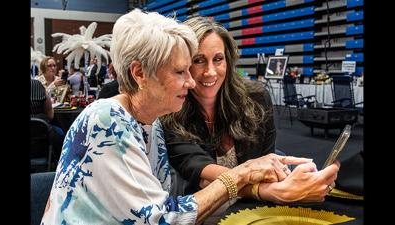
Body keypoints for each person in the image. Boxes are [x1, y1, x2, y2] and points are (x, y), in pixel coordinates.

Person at [41, 9, 308, 225]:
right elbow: (163, 219)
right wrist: (240, 175)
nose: (192, 82)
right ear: (140, 73)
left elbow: (172, 200)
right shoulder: (106, 120)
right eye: (181, 71)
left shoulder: (153, 124)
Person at [161, 16, 340, 224]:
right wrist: (272, 191)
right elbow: (201, 173)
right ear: (184, 64)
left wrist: (298, 182)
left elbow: (267, 163)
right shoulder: (172, 110)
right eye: (198, 60)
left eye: (218, 59)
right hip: (206, 212)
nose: (210, 71)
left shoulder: (256, 98)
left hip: (255, 210)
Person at [30, 78, 65, 164]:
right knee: (61, 133)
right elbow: (50, 116)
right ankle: (60, 165)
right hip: (40, 137)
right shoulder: (37, 85)